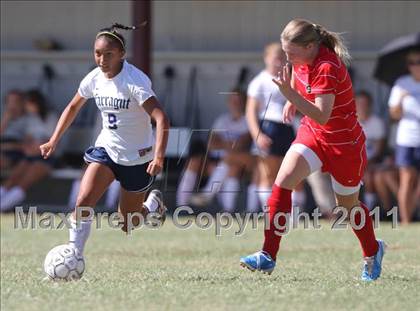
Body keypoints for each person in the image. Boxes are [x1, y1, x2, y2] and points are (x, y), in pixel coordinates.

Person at [240, 19, 386, 281]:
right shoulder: (301, 59)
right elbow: (299, 74)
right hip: (314, 135)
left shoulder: (327, 67)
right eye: (285, 52)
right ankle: (267, 255)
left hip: (344, 145)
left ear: (310, 46)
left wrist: (290, 96)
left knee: (348, 208)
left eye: (291, 53)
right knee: (283, 181)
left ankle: (373, 251)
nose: (288, 58)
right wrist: (294, 96)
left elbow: (321, 114)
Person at [39, 23, 169, 256]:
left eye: (108, 54)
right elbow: (72, 107)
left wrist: (159, 156)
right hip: (106, 150)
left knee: (129, 223)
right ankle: (74, 254)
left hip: (138, 156)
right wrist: (53, 139)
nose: (102, 59)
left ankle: (151, 206)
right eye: (98, 53)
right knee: (83, 201)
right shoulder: (94, 78)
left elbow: (161, 119)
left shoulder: (134, 81)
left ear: (122, 54)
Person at [246, 42, 306, 214]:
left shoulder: (291, 78)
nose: (278, 62)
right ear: (266, 59)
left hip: (289, 128)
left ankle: (295, 214)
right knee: (268, 174)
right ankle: (270, 213)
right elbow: (250, 112)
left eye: (281, 58)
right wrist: (257, 135)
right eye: (275, 58)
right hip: (269, 127)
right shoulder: (259, 82)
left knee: (295, 173)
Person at [177, 88, 251, 212]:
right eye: (232, 100)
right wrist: (229, 144)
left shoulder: (248, 121)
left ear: (244, 102)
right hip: (214, 161)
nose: (235, 104)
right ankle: (181, 206)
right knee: (194, 162)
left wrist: (222, 143)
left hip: (237, 164)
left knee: (231, 166)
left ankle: (226, 209)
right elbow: (211, 144)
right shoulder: (222, 120)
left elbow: (241, 145)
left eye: (238, 100)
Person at [1, 89, 58, 211]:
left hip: (46, 157)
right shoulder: (31, 119)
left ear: (35, 103)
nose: (25, 106)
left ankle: (2, 207)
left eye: (27, 103)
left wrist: (34, 147)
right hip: (30, 155)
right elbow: (27, 140)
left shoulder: (51, 117)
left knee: (24, 182)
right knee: (13, 178)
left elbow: (50, 141)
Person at [388, 47, 420, 224]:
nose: (415, 66)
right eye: (411, 63)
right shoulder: (402, 83)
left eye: (418, 62)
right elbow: (394, 114)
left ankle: (413, 211)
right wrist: (401, 100)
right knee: (406, 180)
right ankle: (406, 220)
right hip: (407, 138)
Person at [355, 90, 386, 210]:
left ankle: (369, 209)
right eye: (359, 103)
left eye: (365, 104)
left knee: (368, 176)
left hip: (371, 163)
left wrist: (366, 163)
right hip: (352, 163)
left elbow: (379, 150)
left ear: (370, 105)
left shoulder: (377, 122)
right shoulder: (349, 122)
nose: (362, 107)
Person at [0, 89, 27, 171]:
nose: (12, 105)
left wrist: (7, 146)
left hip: (16, 152)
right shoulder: (4, 118)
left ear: (22, 103)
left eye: (16, 101)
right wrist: (5, 121)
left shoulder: (29, 119)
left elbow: (27, 145)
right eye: (9, 102)